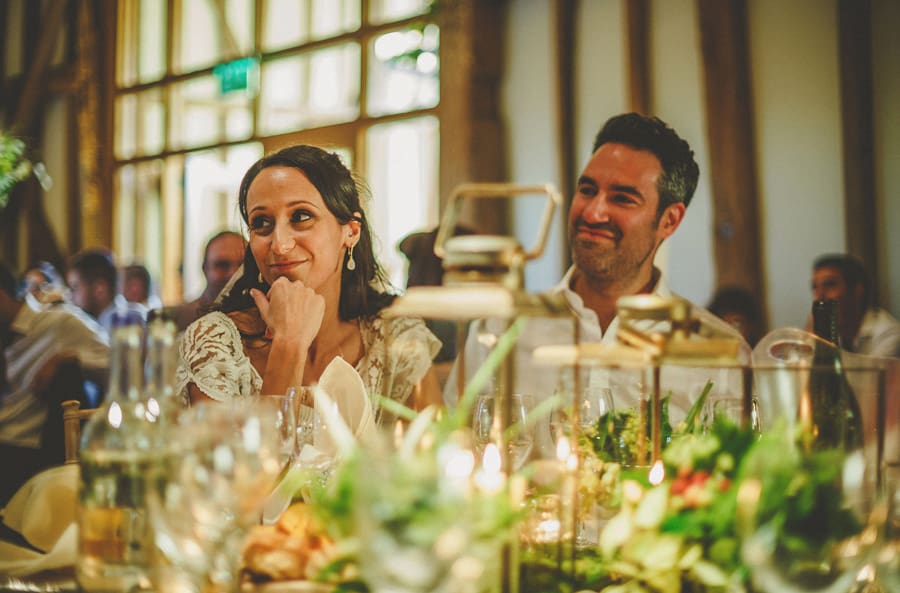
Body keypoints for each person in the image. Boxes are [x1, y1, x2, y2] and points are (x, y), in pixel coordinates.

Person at [449, 113, 750, 422]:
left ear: (669, 221)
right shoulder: (497, 332)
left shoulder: (719, 353)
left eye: (622, 198)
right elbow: (450, 440)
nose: (593, 213)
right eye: (588, 190)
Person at [176, 145, 442, 421]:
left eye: (301, 217)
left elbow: (436, 446)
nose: (279, 245)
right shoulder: (214, 343)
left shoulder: (395, 339)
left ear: (351, 231)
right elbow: (235, 452)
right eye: (262, 223)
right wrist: (288, 345)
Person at [0, 261, 109, 504]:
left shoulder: (58, 323)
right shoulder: (4, 334)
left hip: (22, 449)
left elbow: (119, 361)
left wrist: (68, 358)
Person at [811, 253, 900, 358]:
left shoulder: (888, 333)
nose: (819, 297)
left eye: (830, 285)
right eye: (815, 287)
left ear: (856, 290)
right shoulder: (830, 329)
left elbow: (873, 371)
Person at [168, 231, 246, 332]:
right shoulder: (173, 321)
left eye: (242, 266)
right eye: (222, 265)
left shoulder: (262, 320)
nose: (234, 274)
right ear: (205, 269)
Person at [67, 249, 148, 333]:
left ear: (99, 289)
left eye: (75, 288)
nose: (70, 297)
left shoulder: (133, 322)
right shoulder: (92, 324)